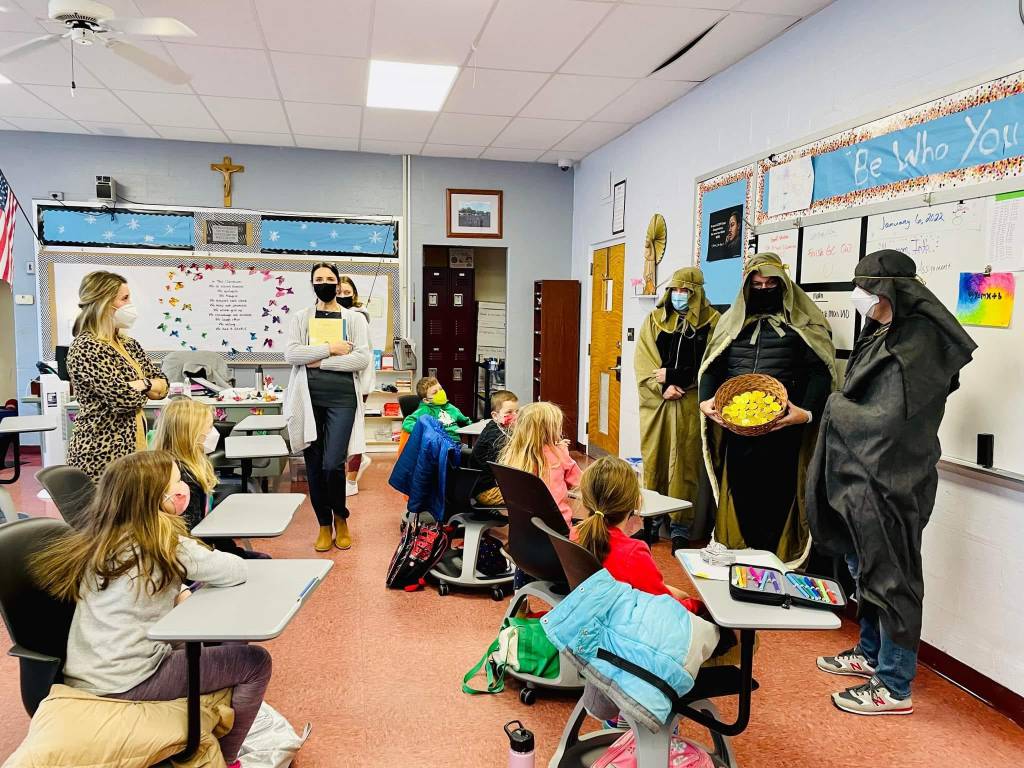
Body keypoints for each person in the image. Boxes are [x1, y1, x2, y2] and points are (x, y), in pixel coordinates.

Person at [808, 249, 976, 716]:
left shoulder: (918, 343)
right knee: (865, 570)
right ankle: (870, 653)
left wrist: (832, 406)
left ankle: (894, 684)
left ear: (889, 291)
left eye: (865, 288)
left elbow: (886, 421)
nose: (858, 296)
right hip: (861, 476)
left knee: (893, 578)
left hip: (893, 480)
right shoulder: (883, 328)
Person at [29, 451, 270, 768]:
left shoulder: (102, 539)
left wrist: (181, 589)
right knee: (255, 663)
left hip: (92, 671)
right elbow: (233, 570)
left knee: (216, 639)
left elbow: (144, 586)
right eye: (176, 482)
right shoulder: (166, 543)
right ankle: (227, 758)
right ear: (156, 498)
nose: (183, 488)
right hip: (132, 680)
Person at [698, 252, 837, 564]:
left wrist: (807, 412)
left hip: (783, 431)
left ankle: (775, 561)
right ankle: (741, 558)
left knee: (778, 498)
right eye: (757, 285)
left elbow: (820, 371)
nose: (763, 290)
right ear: (747, 286)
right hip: (737, 432)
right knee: (741, 494)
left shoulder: (803, 323)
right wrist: (705, 401)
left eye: (770, 284)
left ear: (782, 285)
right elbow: (712, 366)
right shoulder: (730, 323)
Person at [284, 263, 371, 552]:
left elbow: (361, 359)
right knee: (314, 465)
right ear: (312, 283)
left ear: (337, 283)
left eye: (329, 278)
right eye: (318, 279)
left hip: (342, 398)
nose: (324, 282)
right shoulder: (301, 317)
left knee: (333, 464)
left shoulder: (354, 319)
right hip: (308, 398)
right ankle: (324, 523)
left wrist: (319, 362)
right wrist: (330, 348)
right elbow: (292, 354)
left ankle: (340, 517)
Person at [634, 267, 719, 551]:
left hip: (691, 403)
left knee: (685, 465)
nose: (680, 296)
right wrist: (661, 387)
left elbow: (713, 364)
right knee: (654, 461)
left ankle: (681, 528)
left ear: (698, 294)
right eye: (676, 290)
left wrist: (674, 376)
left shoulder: (713, 322)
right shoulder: (655, 320)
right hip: (659, 404)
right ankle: (651, 525)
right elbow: (644, 362)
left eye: (686, 291)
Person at [66, 271, 169, 481]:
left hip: (134, 448)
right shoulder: (86, 347)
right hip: (100, 452)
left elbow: (163, 385)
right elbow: (123, 399)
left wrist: (142, 383)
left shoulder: (128, 344)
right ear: (104, 303)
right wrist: (147, 387)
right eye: (124, 298)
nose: (130, 304)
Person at [575, 456, 699, 612]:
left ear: (586, 499)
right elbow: (665, 607)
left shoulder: (576, 534)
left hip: (593, 614)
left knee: (678, 594)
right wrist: (698, 606)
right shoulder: (633, 553)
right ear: (635, 501)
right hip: (625, 621)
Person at [152, 397, 267, 559]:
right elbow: (194, 536)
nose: (214, 432)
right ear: (191, 435)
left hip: (204, 550)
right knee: (262, 561)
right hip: (195, 557)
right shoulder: (184, 480)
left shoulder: (189, 467)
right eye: (210, 427)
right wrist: (232, 555)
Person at [498, 401, 581, 528]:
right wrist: (564, 453)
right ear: (549, 430)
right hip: (557, 529)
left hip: (524, 528)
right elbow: (582, 483)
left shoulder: (513, 455)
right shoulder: (559, 455)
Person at [338, 276, 376, 497]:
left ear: (354, 294)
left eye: (347, 292)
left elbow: (363, 357)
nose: (342, 296)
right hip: (337, 383)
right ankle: (356, 464)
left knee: (354, 434)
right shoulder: (330, 316)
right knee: (341, 434)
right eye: (339, 292)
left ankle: (351, 482)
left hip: (357, 384)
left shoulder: (358, 317)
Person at [471, 389, 519, 505]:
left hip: (491, 485)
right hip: (487, 491)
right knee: (532, 496)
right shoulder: (495, 438)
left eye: (517, 411)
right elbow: (506, 469)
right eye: (509, 412)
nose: (515, 416)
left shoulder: (499, 426)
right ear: (495, 416)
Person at [402, 376, 472, 440]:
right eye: (435, 392)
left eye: (441, 389)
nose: (440, 393)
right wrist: (426, 429)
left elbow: (466, 421)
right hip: (438, 444)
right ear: (426, 400)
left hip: (456, 443)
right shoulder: (425, 410)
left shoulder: (450, 407)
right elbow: (407, 423)